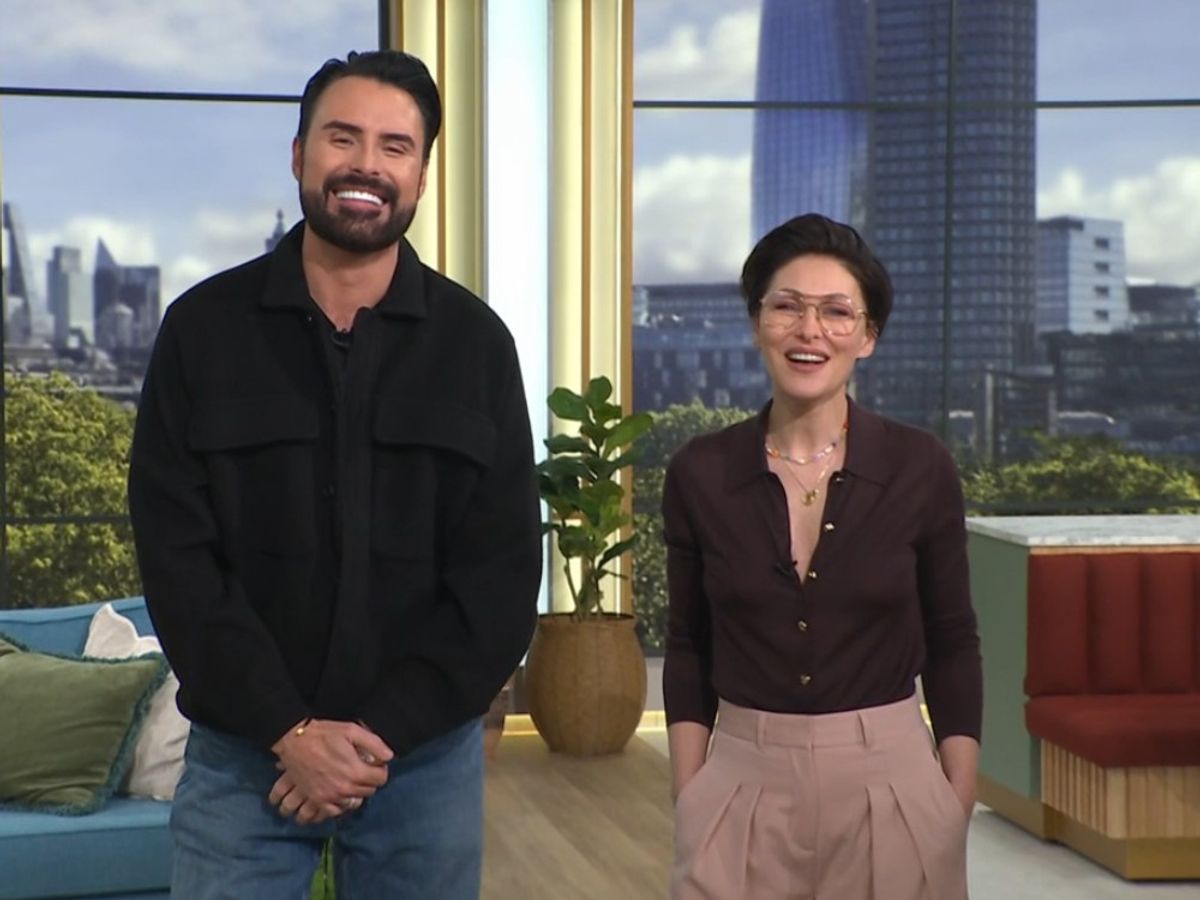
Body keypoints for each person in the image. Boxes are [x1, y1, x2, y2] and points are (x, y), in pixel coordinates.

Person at [128, 50, 541, 899]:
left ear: (421, 174)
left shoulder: (476, 345)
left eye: (395, 146)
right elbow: (177, 558)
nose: (366, 165)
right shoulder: (204, 330)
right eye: (342, 138)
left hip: (421, 758)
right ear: (298, 155)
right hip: (245, 754)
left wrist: (376, 734)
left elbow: (500, 575)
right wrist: (288, 730)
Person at [662, 213, 981, 899]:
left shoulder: (921, 466)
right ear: (758, 323)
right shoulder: (699, 472)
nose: (810, 331)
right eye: (787, 307)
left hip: (893, 786)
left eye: (837, 312)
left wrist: (954, 802)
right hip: (740, 782)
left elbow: (953, 639)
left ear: (868, 336)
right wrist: (691, 795)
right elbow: (687, 644)